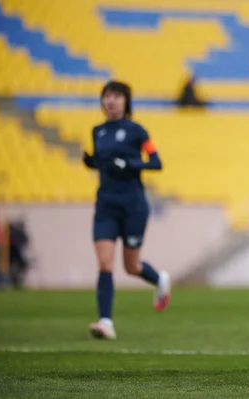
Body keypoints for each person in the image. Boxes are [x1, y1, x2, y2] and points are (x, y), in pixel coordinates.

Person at [82, 81, 171, 340]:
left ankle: (159, 279)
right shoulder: (97, 131)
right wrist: (91, 163)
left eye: (116, 96)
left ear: (125, 101)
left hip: (133, 206)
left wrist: (131, 164)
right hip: (106, 206)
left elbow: (156, 162)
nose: (110, 101)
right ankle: (106, 322)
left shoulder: (137, 131)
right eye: (107, 96)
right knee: (105, 263)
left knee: (131, 266)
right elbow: (103, 163)